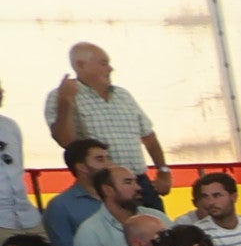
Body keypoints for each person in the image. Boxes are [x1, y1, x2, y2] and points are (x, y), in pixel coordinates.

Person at [43, 42, 163, 190]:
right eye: (103, 63)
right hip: (101, 186)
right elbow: (66, 143)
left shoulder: (123, 95)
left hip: (139, 182)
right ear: (81, 65)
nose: (110, 69)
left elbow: (148, 137)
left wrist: (163, 170)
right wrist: (65, 101)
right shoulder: (59, 96)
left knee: (153, 214)